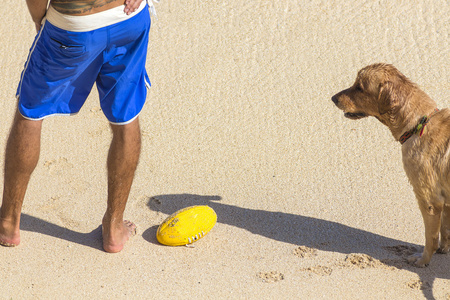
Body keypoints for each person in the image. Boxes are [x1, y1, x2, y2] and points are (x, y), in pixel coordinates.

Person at [0, 0, 153, 253]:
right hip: (129, 19)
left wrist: (39, 17)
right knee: (126, 118)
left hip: (74, 24)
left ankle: (7, 222)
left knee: (30, 112)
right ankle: (114, 229)